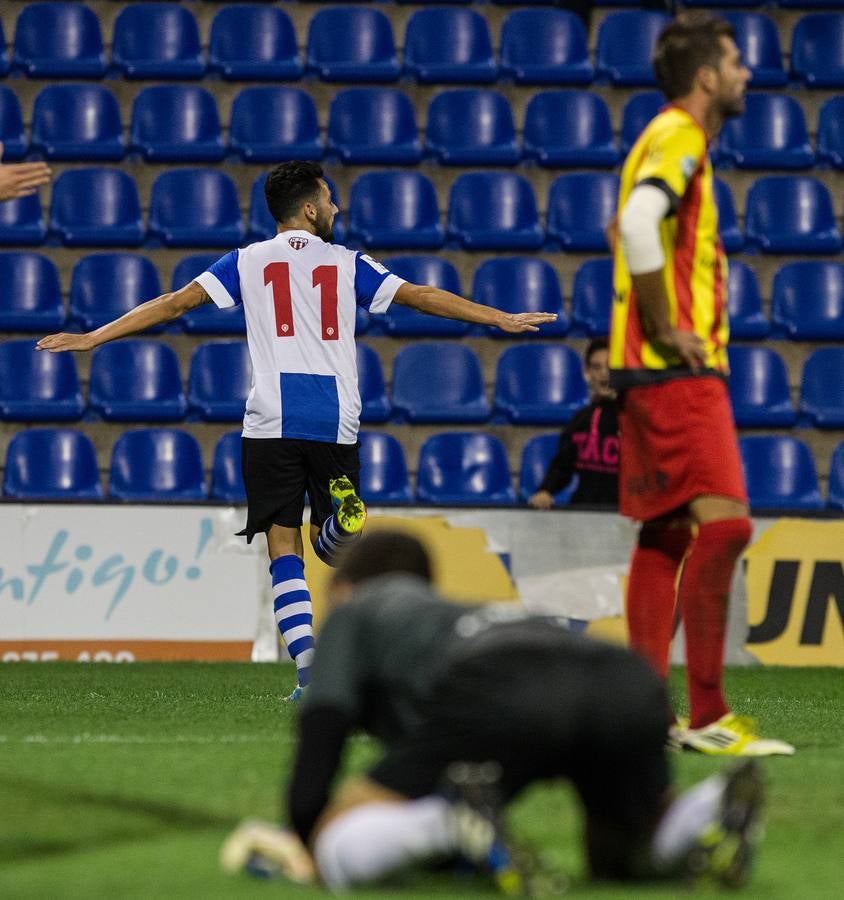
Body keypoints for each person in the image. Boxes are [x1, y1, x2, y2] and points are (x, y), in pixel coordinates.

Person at [36, 161, 557, 700]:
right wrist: (499, 317)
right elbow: (422, 295)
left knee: (283, 547)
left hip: (271, 418)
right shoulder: (347, 262)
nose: (335, 208)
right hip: (335, 416)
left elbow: (174, 304)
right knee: (334, 549)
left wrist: (94, 337)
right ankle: (341, 522)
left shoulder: (245, 261)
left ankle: (309, 673)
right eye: (329, 200)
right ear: (310, 208)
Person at [220, 530, 766, 893]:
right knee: (623, 860)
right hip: (620, 675)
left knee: (336, 842)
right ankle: (710, 806)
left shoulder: (356, 609)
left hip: (504, 684)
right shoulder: (451, 614)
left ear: (345, 587)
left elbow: (323, 729)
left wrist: (307, 831)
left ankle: (449, 821)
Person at [608, 13, 793, 755]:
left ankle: (644, 717)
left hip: (644, 374)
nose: (748, 73)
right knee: (727, 526)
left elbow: (623, 226)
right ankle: (709, 716)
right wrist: (663, 327)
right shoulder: (681, 136)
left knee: (666, 536)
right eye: (737, 61)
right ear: (708, 75)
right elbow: (638, 221)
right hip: (675, 373)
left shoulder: (658, 136)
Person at [527, 337, 619, 509]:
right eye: (596, 367)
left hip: (625, 518)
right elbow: (562, 466)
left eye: (610, 366)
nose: (604, 373)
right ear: (586, 372)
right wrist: (546, 490)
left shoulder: (637, 422)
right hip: (584, 514)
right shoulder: (580, 420)